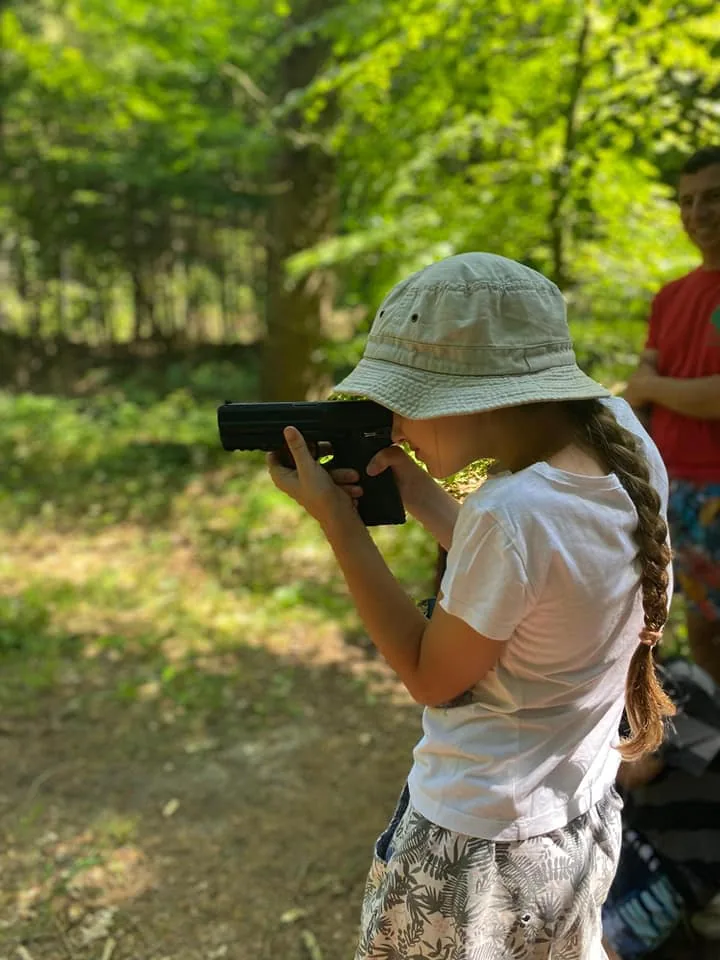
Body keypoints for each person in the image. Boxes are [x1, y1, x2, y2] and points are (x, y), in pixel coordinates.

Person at [268, 253, 674, 958]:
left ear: (473, 397)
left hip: (474, 845)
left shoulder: (508, 513)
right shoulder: (620, 437)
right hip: (574, 820)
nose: (391, 428)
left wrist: (340, 526)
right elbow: (539, 588)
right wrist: (424, 497)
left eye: (401, 402)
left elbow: (432, 675)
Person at [624, 146, 720, 686]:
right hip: (669, 487)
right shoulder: (670, 298)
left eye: (712, 197)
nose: (697, 212)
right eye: (687, 201)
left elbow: (650, 382)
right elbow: (638, 389)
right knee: (695, 630)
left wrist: (656, 387)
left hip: (718, 486)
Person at [602, 655, 720, 960]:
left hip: (677, 861)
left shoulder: (675, 680)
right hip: (640, 840)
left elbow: (638, 769)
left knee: (593, 945)